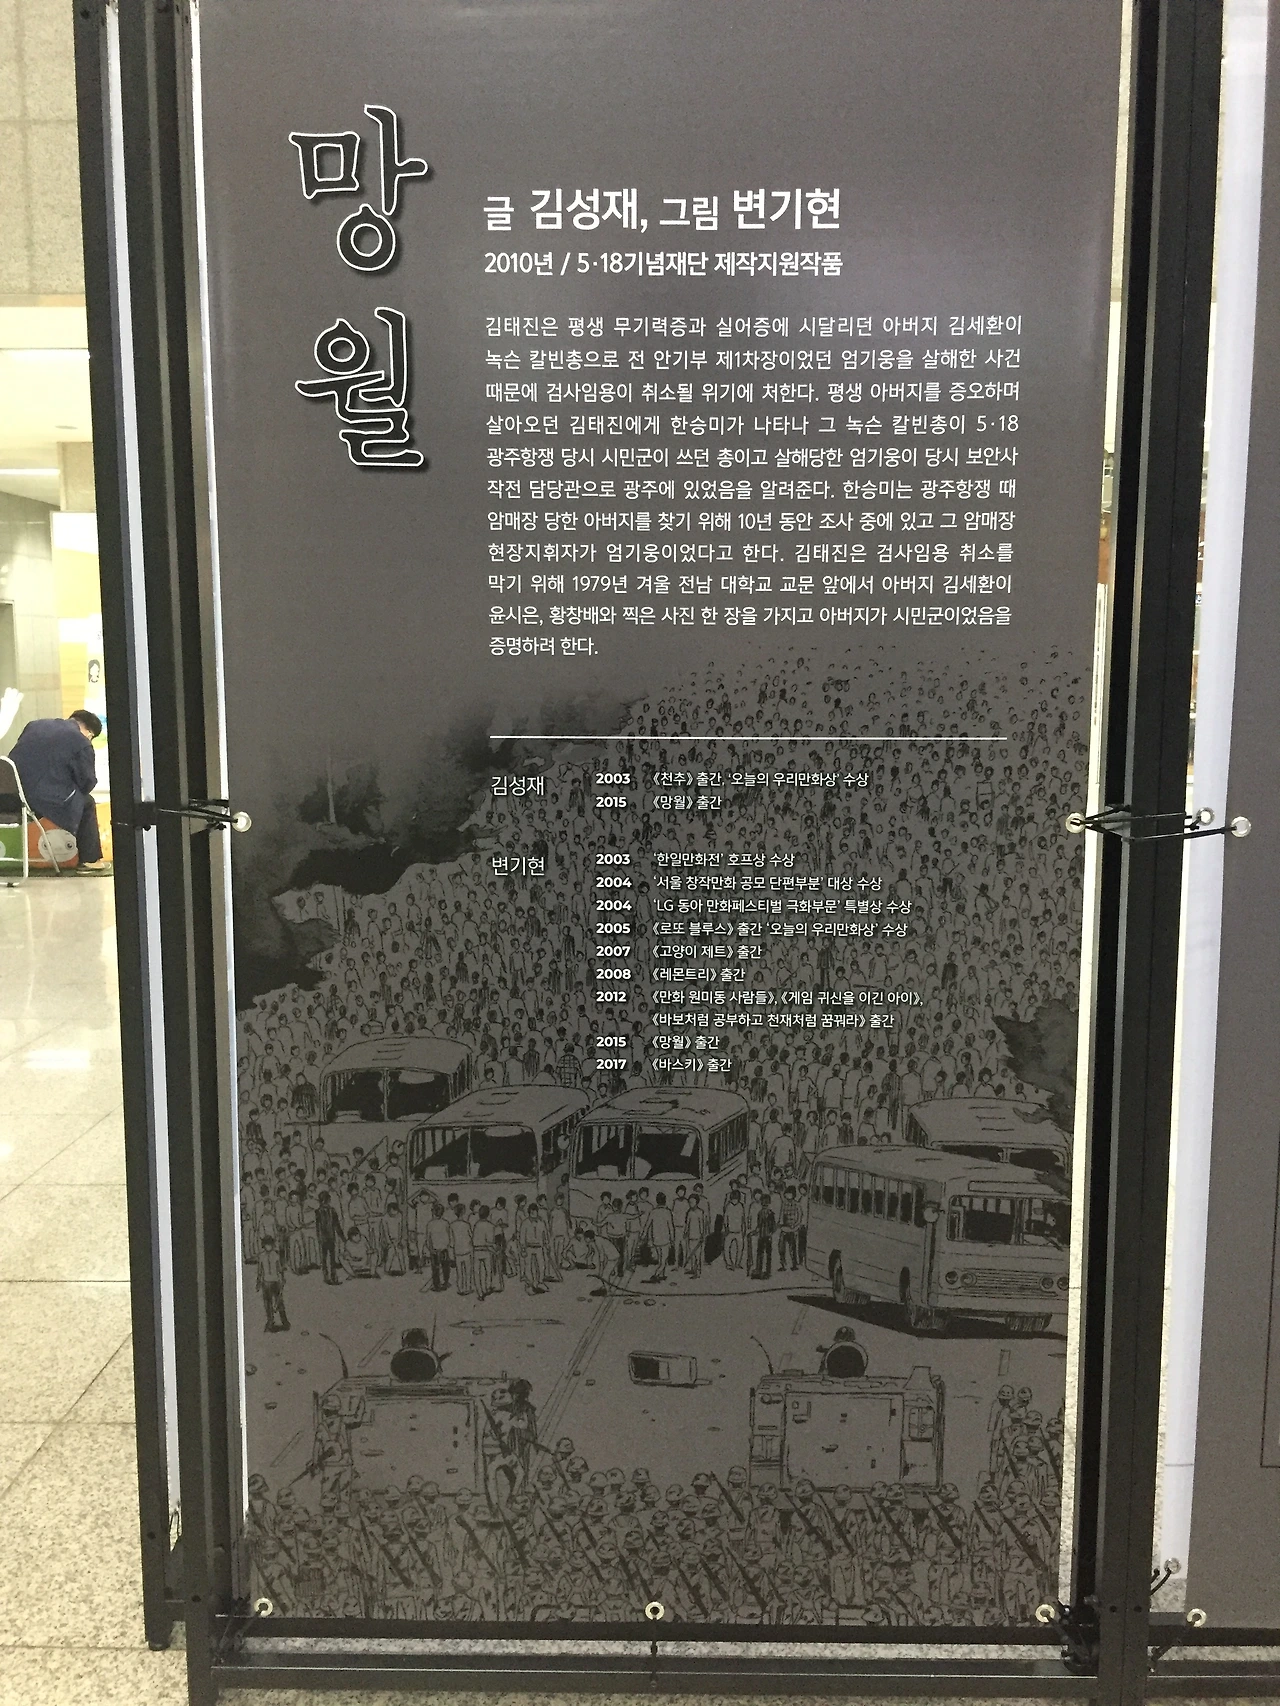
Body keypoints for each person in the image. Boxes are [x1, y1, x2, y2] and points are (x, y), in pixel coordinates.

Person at [6, 709, 109, 871]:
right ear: (89, 733)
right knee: (87, 802)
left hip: (8, 797)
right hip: (36, 800)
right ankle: (90, 860)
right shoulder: (81, 741)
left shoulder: (34, 726)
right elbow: (87, 783)